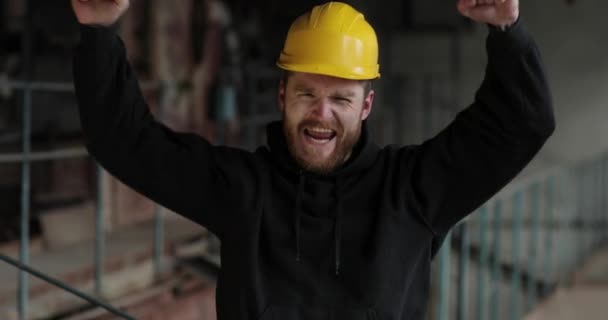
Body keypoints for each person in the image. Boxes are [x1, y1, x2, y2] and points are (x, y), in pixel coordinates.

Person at [71, 0, 555, 319]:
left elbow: (522, 124)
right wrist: (98, 31)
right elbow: (126, 142)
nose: (321, 114)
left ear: (366, 107)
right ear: (282, 95)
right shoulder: (243, 190)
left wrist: (506, 29)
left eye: (341, 99)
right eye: (307, 93)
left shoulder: (411, 192)